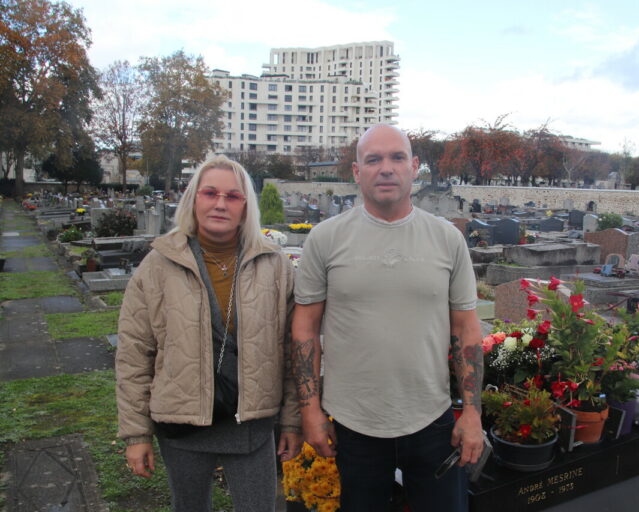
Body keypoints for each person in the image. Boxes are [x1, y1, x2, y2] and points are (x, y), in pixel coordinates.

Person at [291, 124, 484, 511]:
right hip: (355, 423)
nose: (386, 168)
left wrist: (473, 413)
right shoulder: (325, 239)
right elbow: (305, 327)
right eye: (373, 159)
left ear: (414, 167)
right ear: (356, 171)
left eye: (397, 157)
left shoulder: (447, 239)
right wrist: (310, 411)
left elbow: (465, 329)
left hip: (432, 420)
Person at [116, 155, 302, 512]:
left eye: (232, 196)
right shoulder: (158, 265)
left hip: (250, 426)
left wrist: (292, 422)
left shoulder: (274, 265)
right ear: (193, 199)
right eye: (210, 193)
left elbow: (291, 350)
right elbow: (135, 353)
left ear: (245, 206)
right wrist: (137, 433)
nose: (220, 203)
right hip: (182, 423)